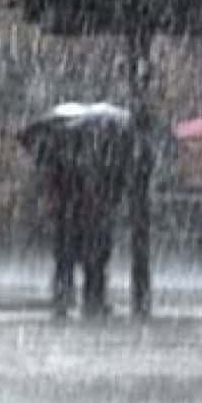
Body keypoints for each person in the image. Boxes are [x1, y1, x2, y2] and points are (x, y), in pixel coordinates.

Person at [46, 135, 131, 318]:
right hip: (88, 217)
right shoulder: (100, 158)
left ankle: (68, 297)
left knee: (72, 259)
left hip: (75, 217)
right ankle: (90, 298)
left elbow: (55, 188)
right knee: (92, 259)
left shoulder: (63, 157)